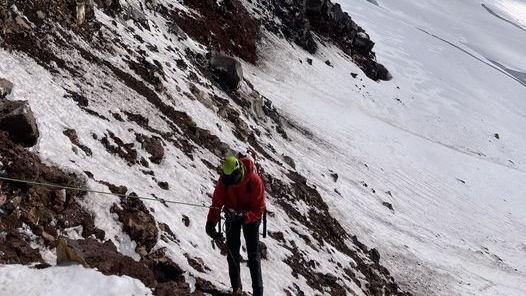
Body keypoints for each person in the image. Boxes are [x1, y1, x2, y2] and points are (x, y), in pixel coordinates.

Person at [206, 154, 265, 296]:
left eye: (234, 181)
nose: (232, 184)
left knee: (253, 255)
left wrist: (244, 217)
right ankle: (236, 288)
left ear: (240, 172)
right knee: (232, 252)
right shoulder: (225, 180)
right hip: (232, 215)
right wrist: (210, 223)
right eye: (229, 181)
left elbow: (259, 209)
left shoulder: (255, 181)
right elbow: (217, 202)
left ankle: (258, 292)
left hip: (250, 218)